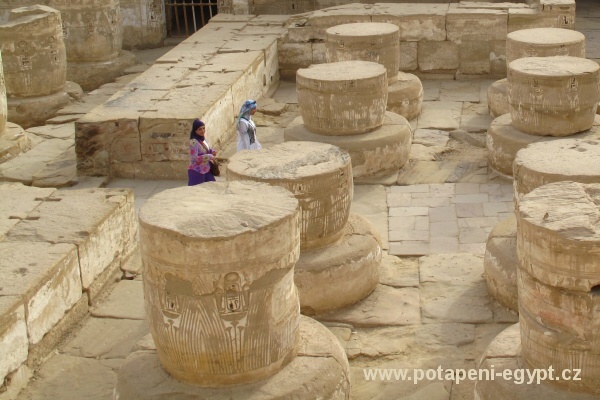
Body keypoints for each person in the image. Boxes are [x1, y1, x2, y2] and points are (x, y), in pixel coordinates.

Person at [188, 119, 217, 186]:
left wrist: (212, 151)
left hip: (206, 170)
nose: (202, 131)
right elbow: (194, 158)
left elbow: (207, 149)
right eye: (200, 129)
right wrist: (209, 156)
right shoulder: (194, 142)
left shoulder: (202, 139)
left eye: (203, 128)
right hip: (197, 172)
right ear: (195, 130)